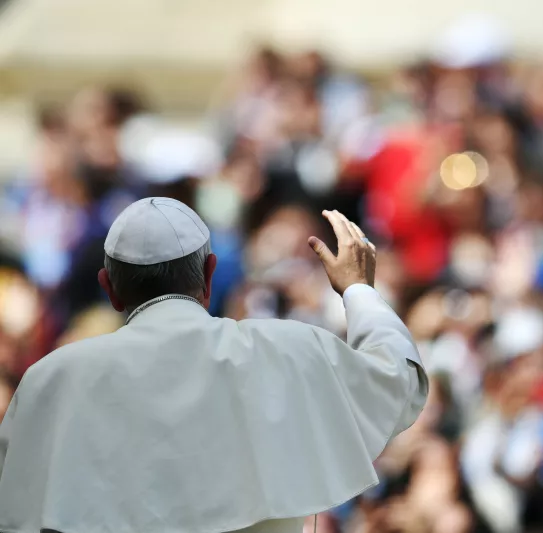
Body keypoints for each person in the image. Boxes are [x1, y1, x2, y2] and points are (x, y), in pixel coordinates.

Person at [0, 197, 428, 533]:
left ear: (109, 288)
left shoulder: (50, 380)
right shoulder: (288, 349)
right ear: (209, 275)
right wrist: (358, 291)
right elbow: (400, 381)